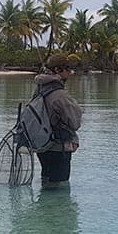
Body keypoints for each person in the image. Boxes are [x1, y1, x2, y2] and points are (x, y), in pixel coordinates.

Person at [33, 53, 82, 189]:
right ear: (58, 70)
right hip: (58, 147)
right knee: (60, 188)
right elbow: (75, 123)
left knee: (47, 181)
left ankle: (47, 208)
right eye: (67, 69)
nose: (70, 73)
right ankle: (58, 209)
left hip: (42, 146)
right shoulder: (60, 95)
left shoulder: (39, 88)